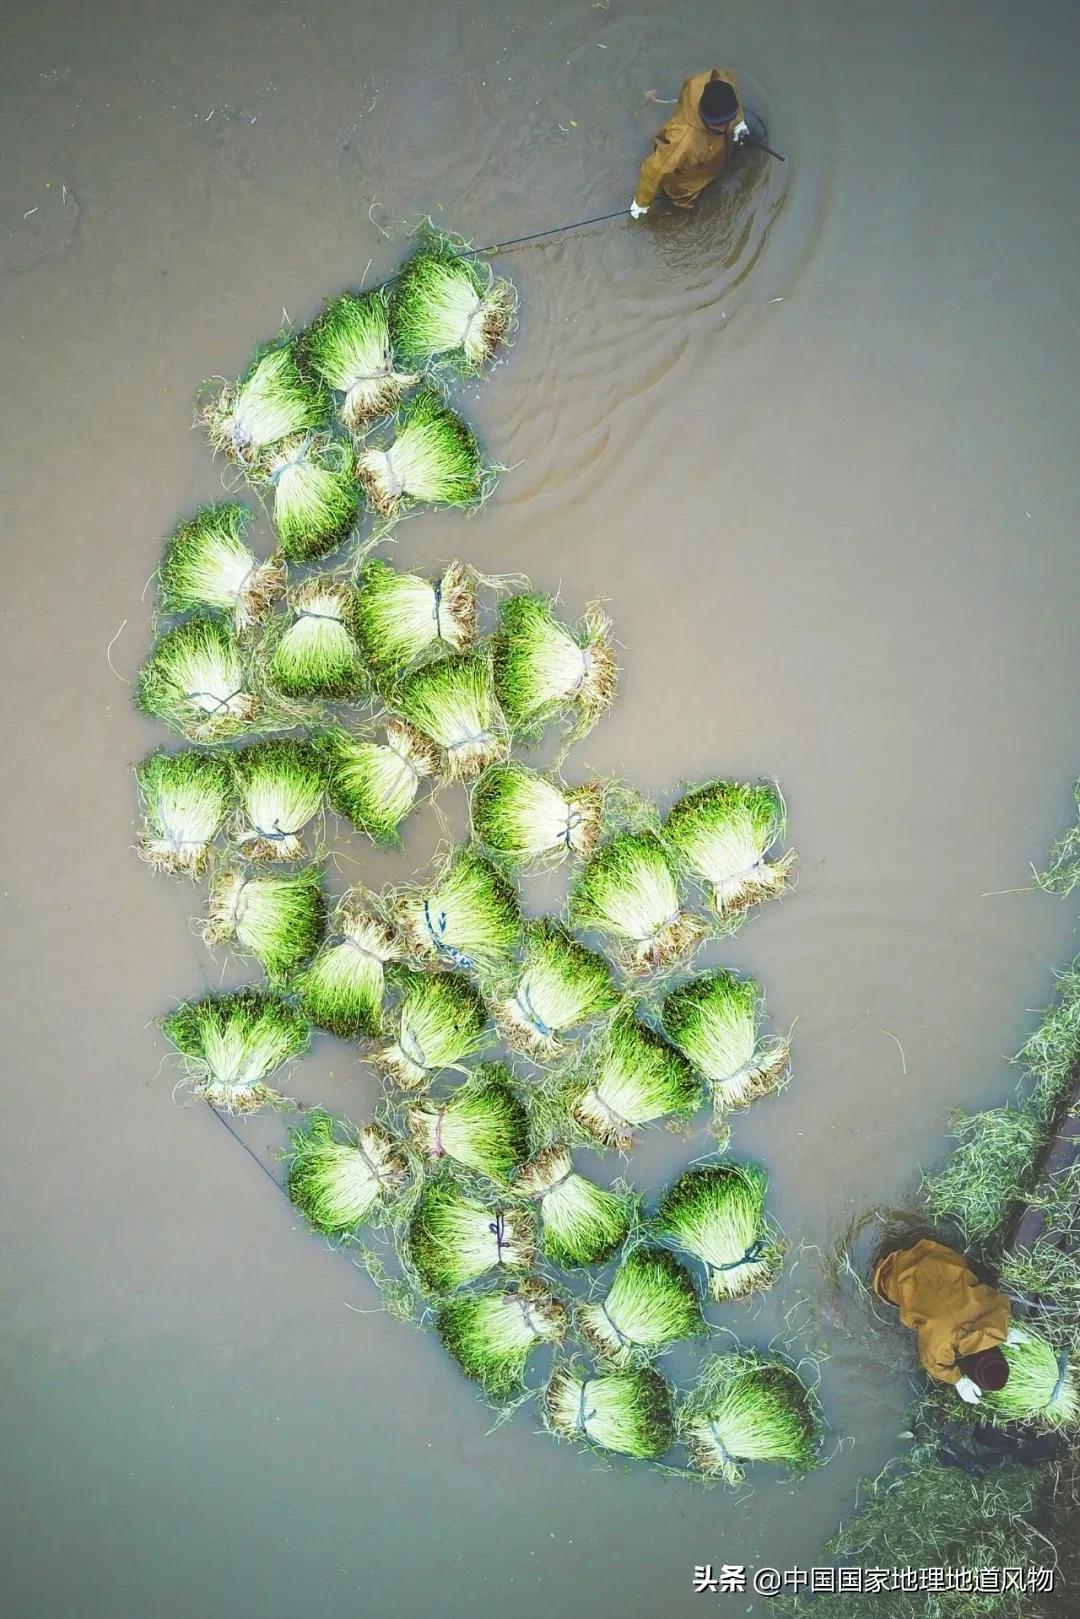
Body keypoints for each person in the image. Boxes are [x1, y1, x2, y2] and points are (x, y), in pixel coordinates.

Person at [872, 1238, 1027, 1403]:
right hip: (891, 1272)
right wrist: (958, 1380)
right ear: (968, 1367)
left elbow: (997, 1302)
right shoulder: (940, 1346)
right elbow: (932, 1363)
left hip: (932, 1252)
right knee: (893, 1289)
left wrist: (1004, 1333)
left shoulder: (997, 1313)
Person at [630, 69, 750, 218]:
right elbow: (653, 169)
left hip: (717, 152)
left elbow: (725, 76)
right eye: (718, 124)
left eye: (727, 121)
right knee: (685, 202)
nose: (724, 127)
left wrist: (738, 122)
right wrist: (641, 202)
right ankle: (679, 207)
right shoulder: (683, 140)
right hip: (689, 179)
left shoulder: (714, 83)